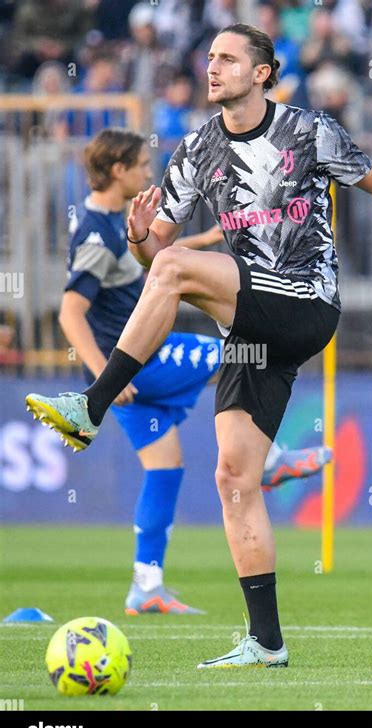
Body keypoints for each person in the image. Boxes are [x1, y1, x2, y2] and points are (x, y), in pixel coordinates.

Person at [26, 24, 372, 668]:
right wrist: (140, 235)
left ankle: (92, 406)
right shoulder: (197, 148)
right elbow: (156, 251)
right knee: (234, 478)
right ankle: (267, 642)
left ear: (262, 72)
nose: (213, 66)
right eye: (210, 57)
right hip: (250, 333)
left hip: (306, 301)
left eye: (227, 58)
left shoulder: (308, 131)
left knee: (175, 274)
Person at [31, 126, 331, 617]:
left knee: (165, 470)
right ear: (117, 171)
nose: (150, 172)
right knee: (235, 352)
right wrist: (104, 370)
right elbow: (69, 311)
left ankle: (145, 587)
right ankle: (270, 458)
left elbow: (145, 264)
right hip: (134, 363)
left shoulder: (115, 223)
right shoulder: (93, 231)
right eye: (142, 166)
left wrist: (202, 240)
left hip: (130, 376)